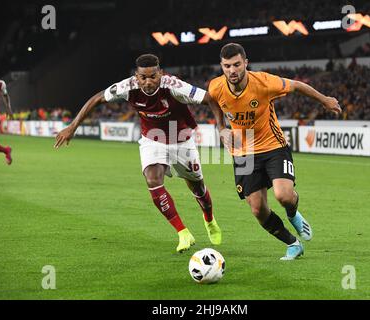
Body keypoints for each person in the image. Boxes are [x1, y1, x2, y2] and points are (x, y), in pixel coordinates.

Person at [55, 54, 222, 253]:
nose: (148, 82)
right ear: (137, 75)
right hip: (152, 139)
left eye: (153, 76)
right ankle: (183, 232)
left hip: (181, 140)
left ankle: (209, 219)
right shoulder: (128, 87)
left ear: (160, 73)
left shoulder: (174, 86)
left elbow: (209, 98)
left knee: (198, 188)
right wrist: (72, 127)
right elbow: (97, 98)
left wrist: (221, 128)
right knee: (152, 179)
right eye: (143, 77)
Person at [207, 43, 342, 260]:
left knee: (284, 196)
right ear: (222, 66)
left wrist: (325, 100)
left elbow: (297, 85)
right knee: (258, 209)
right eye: (227, 66)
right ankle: (292, 243)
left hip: (273, 145)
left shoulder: (263, 82)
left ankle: (293, 214)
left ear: (245, 63)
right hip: (244, 151)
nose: (232, 70)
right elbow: (212, 100)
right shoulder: (216, 86)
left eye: (236, 65)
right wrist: (222, 128)